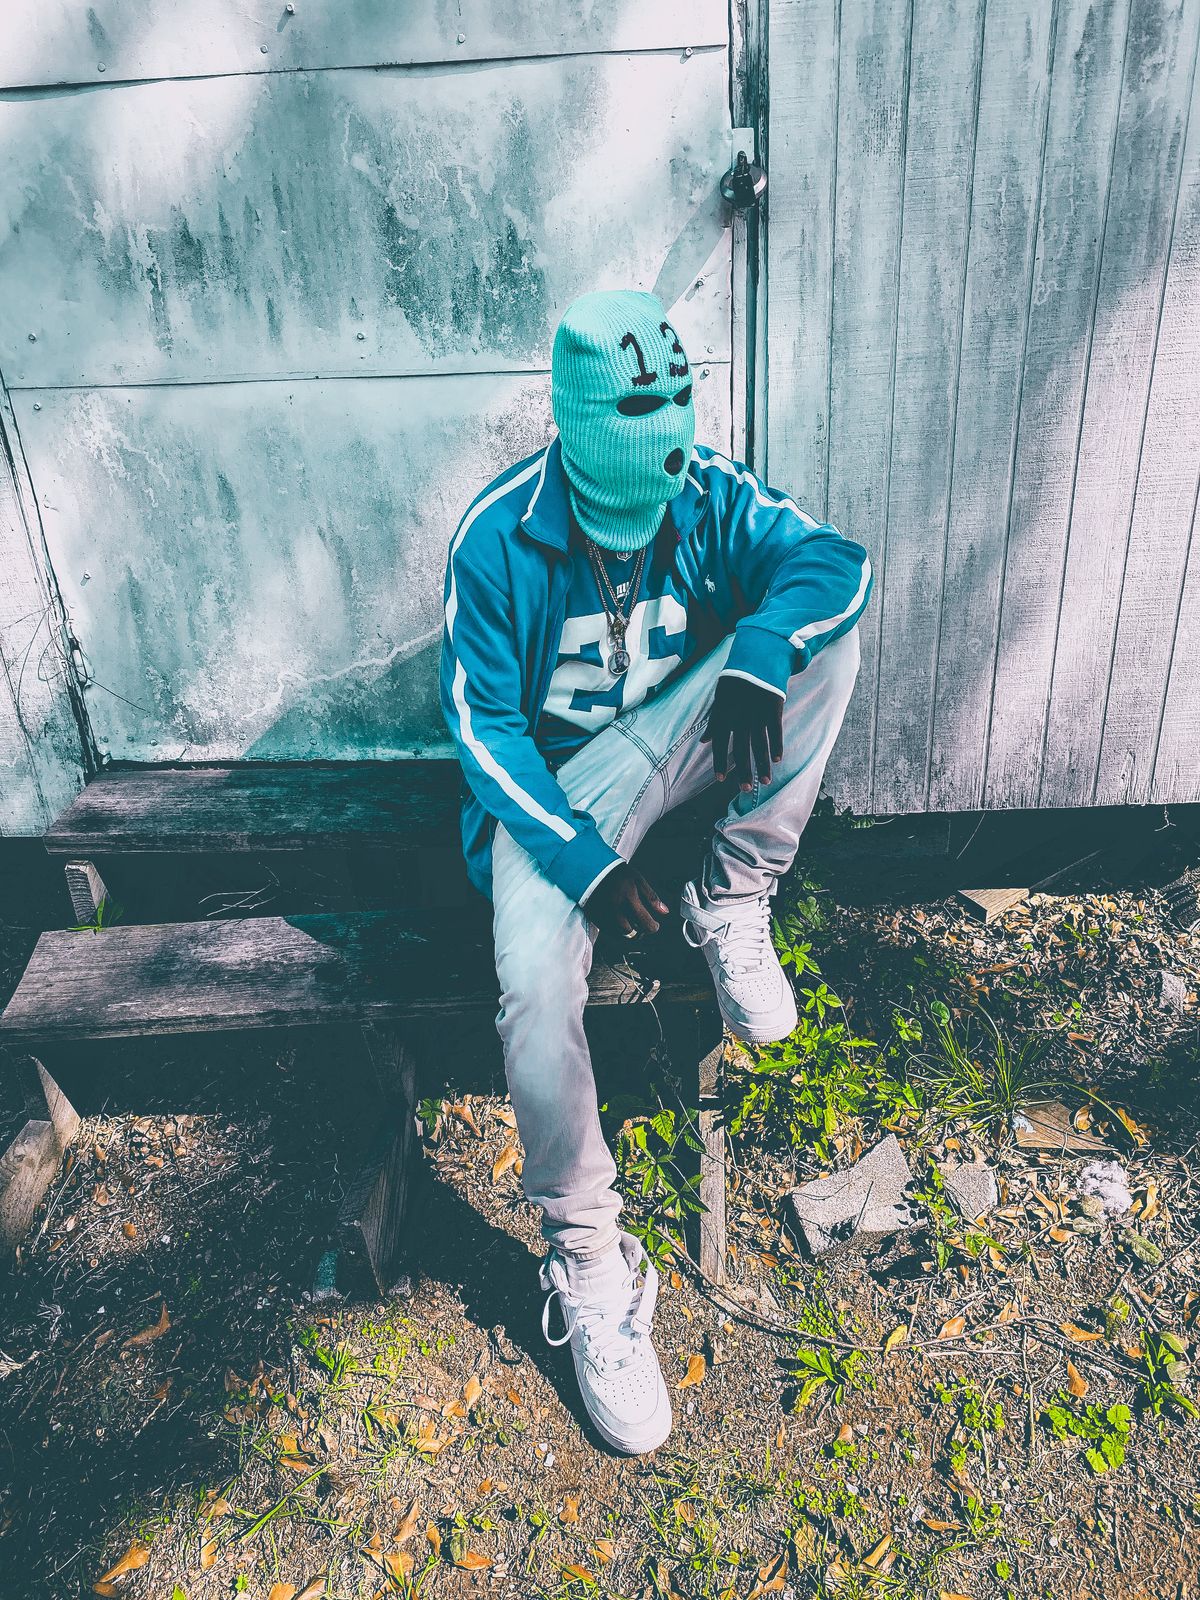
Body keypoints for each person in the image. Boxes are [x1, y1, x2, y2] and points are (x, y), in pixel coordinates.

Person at [440, 289, 871, 1454]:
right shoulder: (494, 539)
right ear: (573, 440)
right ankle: (587, 1260)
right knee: (535, 990)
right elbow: (483, 733)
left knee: (825, 641)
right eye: (614, 509)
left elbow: (835, 564)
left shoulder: (705, 486)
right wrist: (581, 862)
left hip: (673, 744)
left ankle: (733, 898)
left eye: (654, 503)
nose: (639, 530)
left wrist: (764, 648)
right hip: (555, 800)